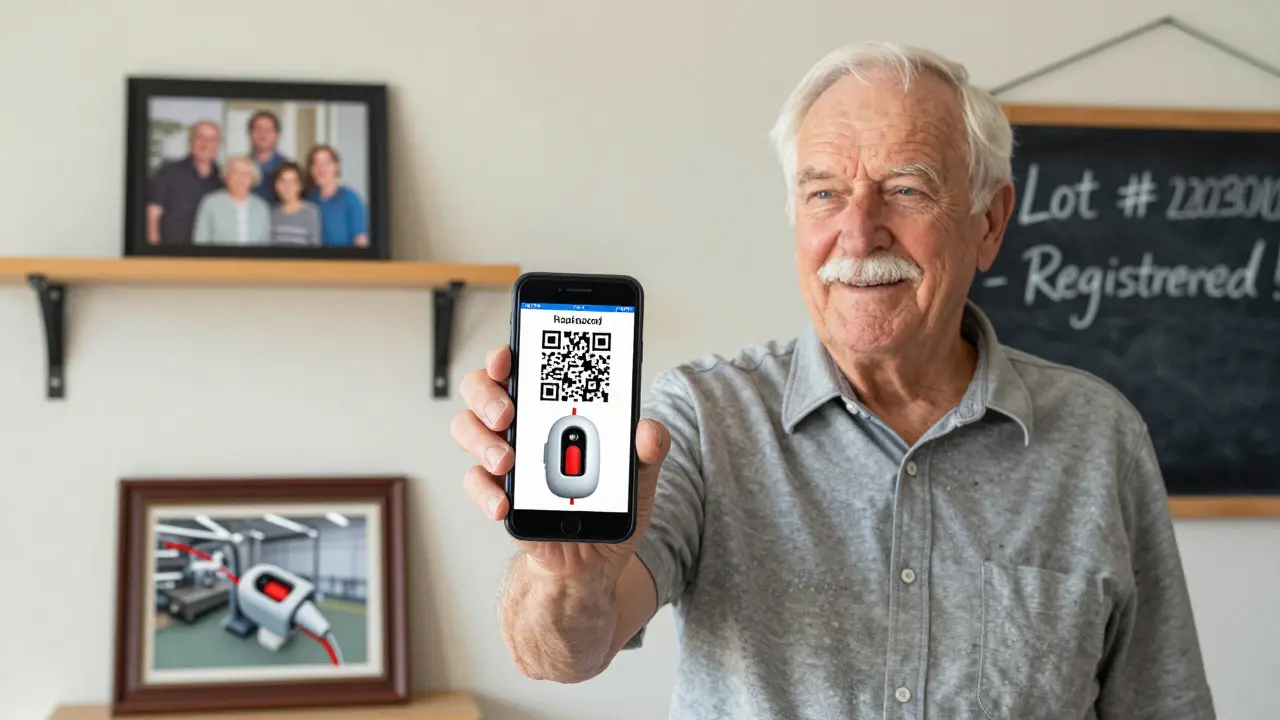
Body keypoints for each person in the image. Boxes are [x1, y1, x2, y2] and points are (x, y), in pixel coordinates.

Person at [449, 42, 1217, 719]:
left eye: (907, 189)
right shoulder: (704, 419)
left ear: (989, 221)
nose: (857, 231)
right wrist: (568, 575)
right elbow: (561, 654)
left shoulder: (1098, 434)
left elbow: (1164, 701)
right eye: (824, 193)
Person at [146, 120, 223, 245]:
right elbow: (152, 213)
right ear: (190, 141)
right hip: (171, 251)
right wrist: (153, 250)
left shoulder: (223, 177)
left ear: (218, 145)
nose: (206, 144)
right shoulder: (168, 171)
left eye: (212, 139)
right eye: (200, 137)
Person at [192, 155, 271, 246]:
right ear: (226, 176)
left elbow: (265, 242)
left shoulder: (261, 206)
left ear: (253, 179)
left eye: (246, 174)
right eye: (235, 172)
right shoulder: (211, 203)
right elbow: (200, 241)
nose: (240, 178)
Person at [305, 145, 368, 248]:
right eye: (315, 163)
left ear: (337, 167)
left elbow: (360, 240)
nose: (321, 168)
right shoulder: (309, 200)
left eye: (326, 163)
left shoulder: (350, 198)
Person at [268, 161, 322, 246]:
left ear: (300, 185)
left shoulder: (311, 212)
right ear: (276, 184)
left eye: (293, 182)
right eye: (282, 181)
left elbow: (315, 248)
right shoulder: (271, 213)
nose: (287, 186)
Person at [247, 110, 293, 205]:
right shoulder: (242, 168)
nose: (263, 134)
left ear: (277, 135)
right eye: (258, 129)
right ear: (250, 134)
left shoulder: (287, 168)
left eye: (268, 130)